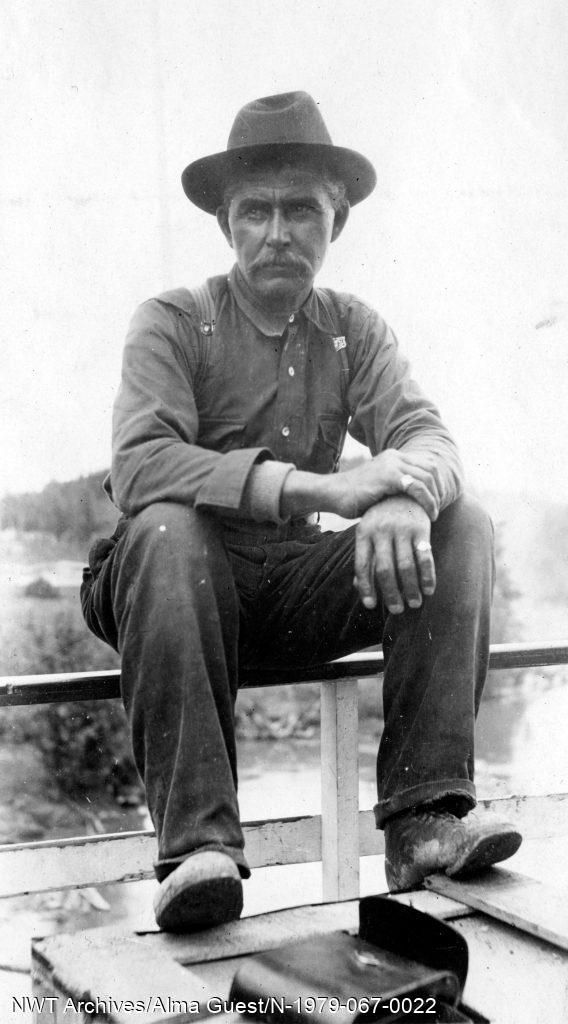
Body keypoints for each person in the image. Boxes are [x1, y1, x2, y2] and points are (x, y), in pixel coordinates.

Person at [81, 91, 521, 932]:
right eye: (256, 211)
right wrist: (324, 489)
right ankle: (198, 850)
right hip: (161, 584)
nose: (277, 232)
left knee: (463, 524)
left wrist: (403, 494)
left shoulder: (354, 328)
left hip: (284, 586)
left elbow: (430, 437)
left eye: (302, 210)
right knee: (171, 529)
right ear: (226, 226)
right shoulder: (172, 323)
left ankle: (426, 818)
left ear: (337, 222)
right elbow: (141, 467)